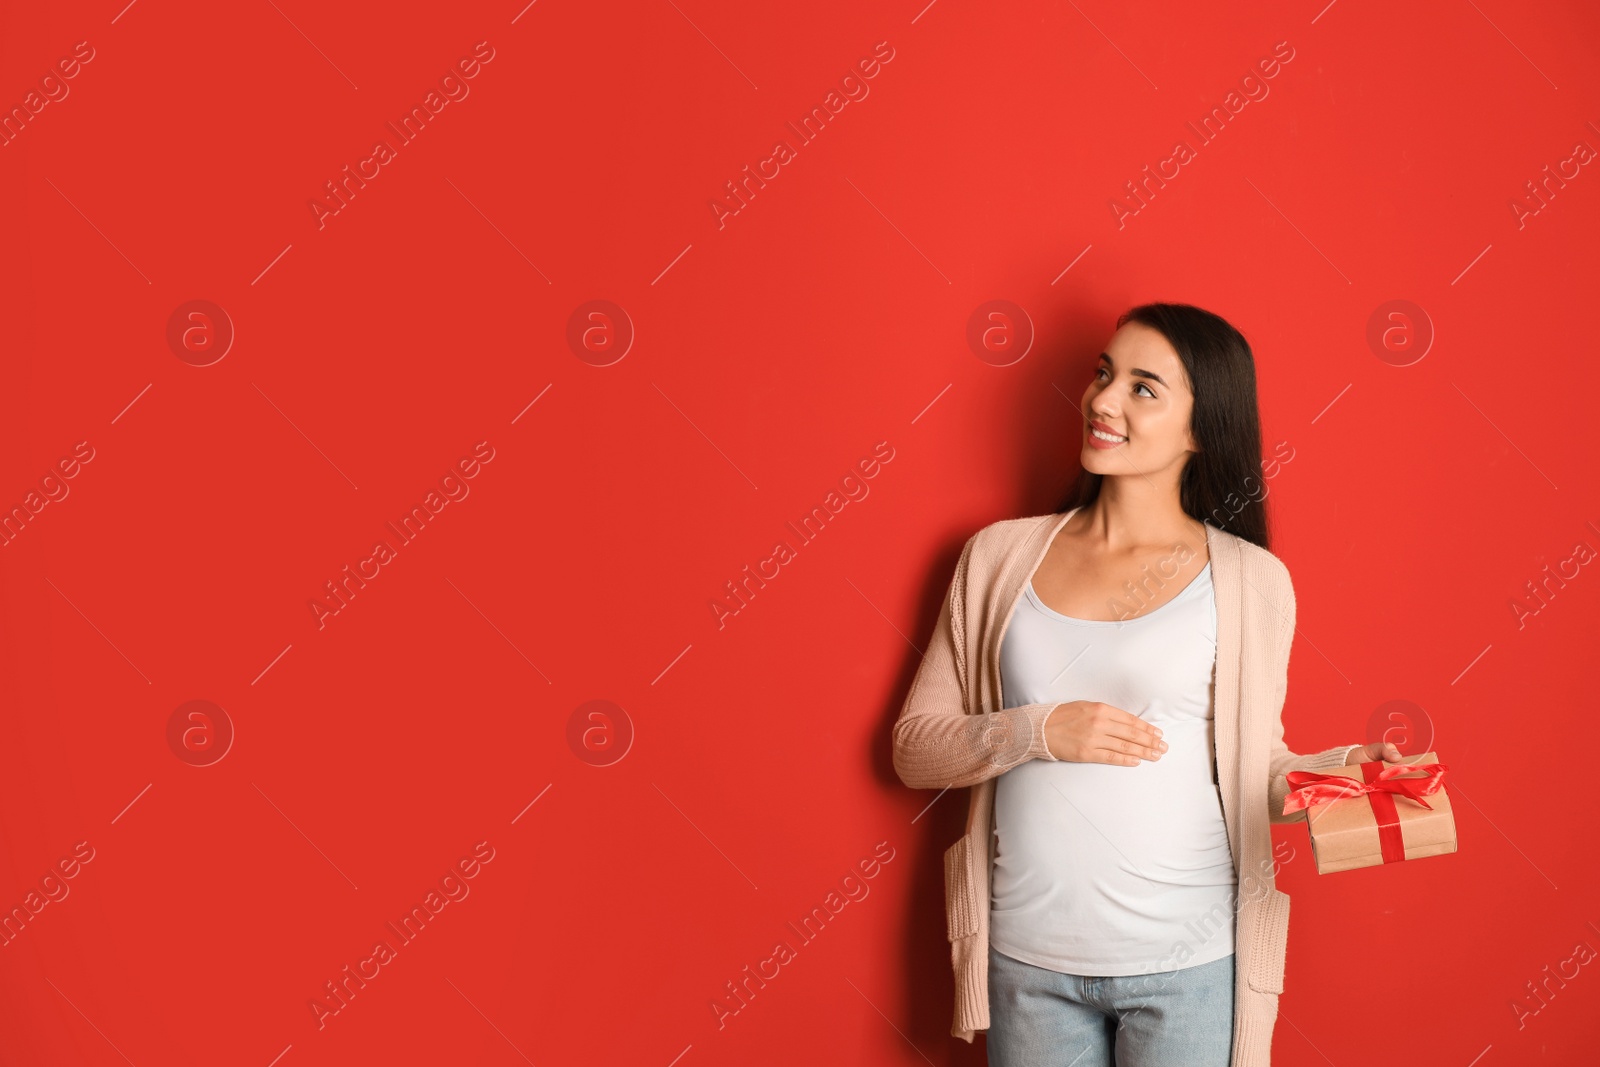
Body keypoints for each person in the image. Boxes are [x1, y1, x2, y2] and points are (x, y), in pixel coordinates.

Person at [891, 303, 1402, 1067]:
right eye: (1104, 373)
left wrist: (1347, 781)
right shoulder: (998, 558)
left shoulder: (1252, 580)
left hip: (1189, 965)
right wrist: (1037, 729)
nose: (1102, 401)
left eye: (1143, 387)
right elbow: (912, 750)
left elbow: (1257, 770)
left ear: (1201, 429)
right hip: (1028, 959)